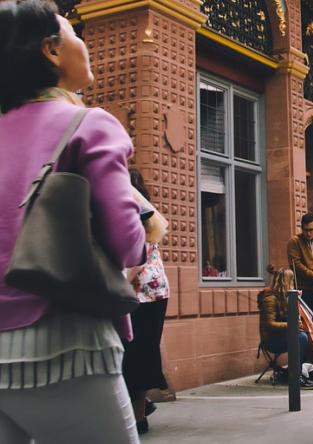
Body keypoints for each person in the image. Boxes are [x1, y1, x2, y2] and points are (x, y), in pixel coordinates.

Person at [0, 2, 146, 442]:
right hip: (64, 344)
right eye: (73, 32)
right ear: (51, 51)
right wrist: (145, 227)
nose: (84, 42)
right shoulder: (90, 124)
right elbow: (125, 244)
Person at [123, 168, 170, 435]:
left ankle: (139, 416)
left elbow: (137, 256)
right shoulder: (141, 209)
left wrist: (118, 283)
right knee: (136, 353)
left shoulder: (137, 214)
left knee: (137, 354)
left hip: (145, 294)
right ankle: (140, 407)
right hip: (151, 293)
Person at [258, 266, 312, 385]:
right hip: (271, 340)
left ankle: (297, 371)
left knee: (305, 335)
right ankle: (295, 376)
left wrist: (295, 301)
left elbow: (294, 318)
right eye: (292, 281)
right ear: (286, 282)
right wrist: (291, 325)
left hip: (283, 336)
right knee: (301, 338)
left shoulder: (285, 298)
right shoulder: (270, 299)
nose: (293, 284)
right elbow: (270, 325)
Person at [288, 213, 313, 330]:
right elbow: (295, 264)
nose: (309, 233)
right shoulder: (295, 242)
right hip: (305, 290)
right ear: (301, 228)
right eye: (306, 230)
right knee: (308, 327)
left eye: (311, 230)